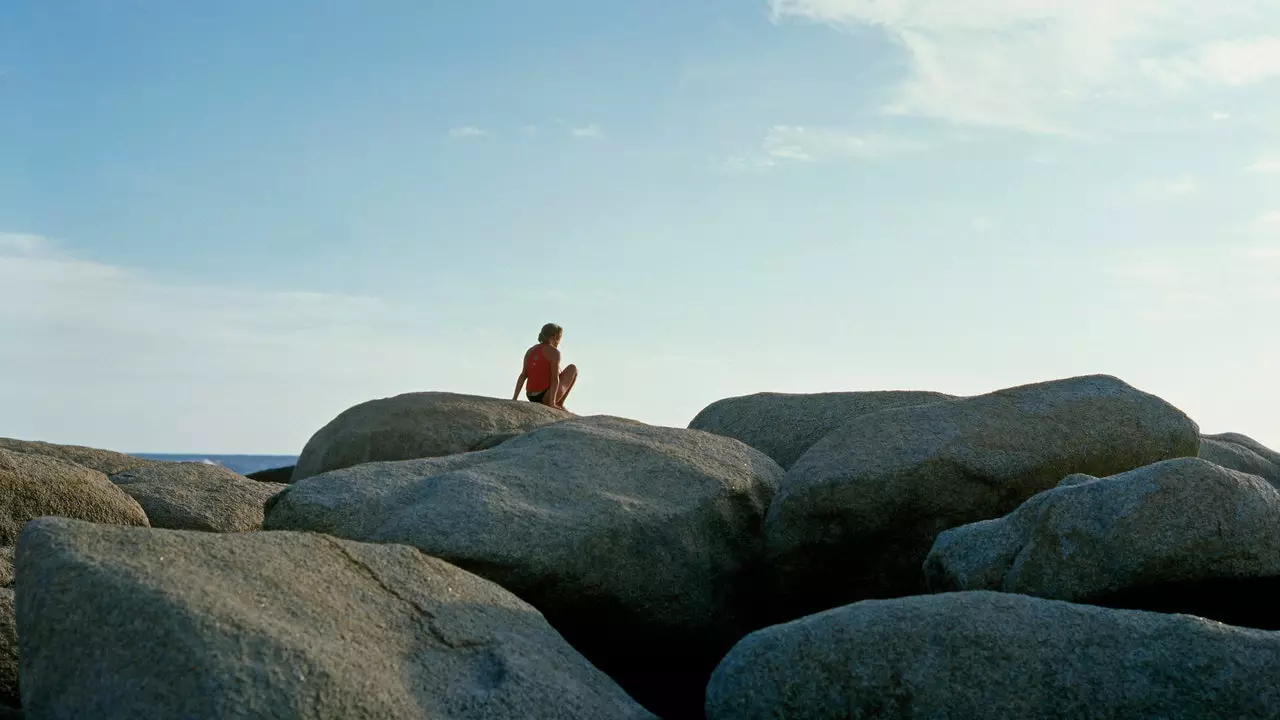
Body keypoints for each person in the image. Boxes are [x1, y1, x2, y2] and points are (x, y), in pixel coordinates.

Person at [513, 323, 577, 409]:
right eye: (559, 337)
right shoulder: (554, 352)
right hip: (545, 397)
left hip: (531, 396)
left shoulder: (530, 350)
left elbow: (523, 375)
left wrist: (514, 398)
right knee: (573, 369)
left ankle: (555, 402)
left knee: (557, 371)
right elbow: (554, 378)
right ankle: (559, 403)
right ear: (554, 336)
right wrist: (552, 403)